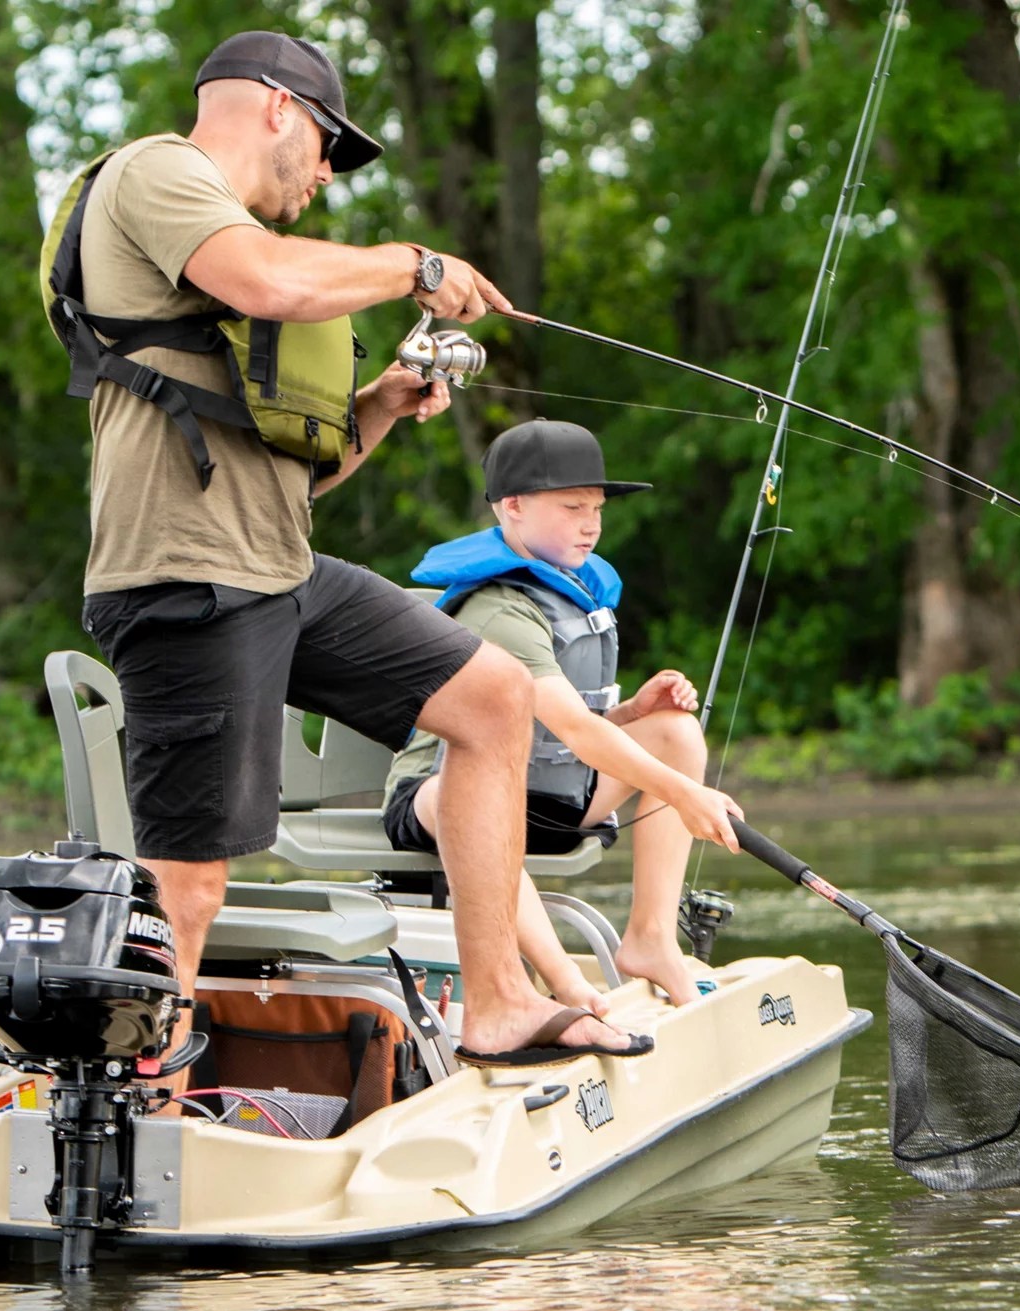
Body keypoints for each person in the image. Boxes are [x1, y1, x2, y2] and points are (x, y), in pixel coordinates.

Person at [72, 30, 646, 1064]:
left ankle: (501, 1003)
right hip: (184, 581)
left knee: (491, 698)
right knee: (191, 885)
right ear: (277, 109)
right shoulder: (160, 174)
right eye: (332, 141)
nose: (330, 169)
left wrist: (377, 406)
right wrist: (413, 267)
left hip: (280, 572)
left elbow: (300, 475)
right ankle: (144, 1102)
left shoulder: (224, 254)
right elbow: (272, 284)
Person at [383, 418, 744, 1010]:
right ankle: (565, 986)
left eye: (597, 507)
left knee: (676, 732)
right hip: (445, 801)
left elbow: (562, 730)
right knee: (480, 804)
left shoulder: (576, 588)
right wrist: (686, 794)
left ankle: (651, 941)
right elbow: (576, 731)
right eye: (573, 505)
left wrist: (630, 713)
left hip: (548, 798)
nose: (592, 523)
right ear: (514, 507)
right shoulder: (500, 609)